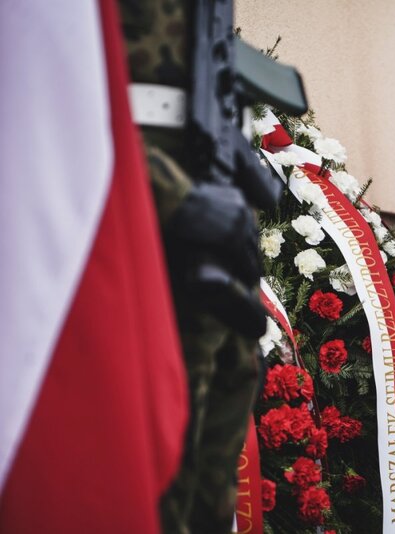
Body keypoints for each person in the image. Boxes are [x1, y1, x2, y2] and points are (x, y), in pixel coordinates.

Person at [119, 2, 262, 532]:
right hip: (138, 227)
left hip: (214, 222)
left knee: (211, 467)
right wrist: (175, 197)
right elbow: (46, 93)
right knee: (158, 460)